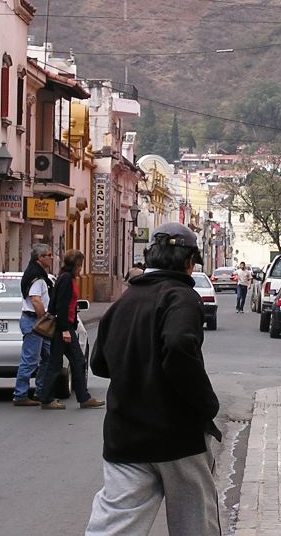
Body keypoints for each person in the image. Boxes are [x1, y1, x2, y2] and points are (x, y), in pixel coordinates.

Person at [85, 222, 221, 536]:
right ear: (190, 263)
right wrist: (206, 404)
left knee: (114, 525)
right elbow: (177, 347)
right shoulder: (182, 297)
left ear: (150, 259)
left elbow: (100, 363)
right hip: (177, 437)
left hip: (125, 435)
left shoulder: (124, 303)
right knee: (194, 522)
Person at [37, 249, 104, 410]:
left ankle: (82, 397)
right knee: (62, 362)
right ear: (75, 264)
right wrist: (65, 330)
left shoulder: (65, 277)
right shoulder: (66, 279)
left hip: (65, 327)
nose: (81, 268)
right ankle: (48, 398)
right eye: (80, 265)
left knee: (74, 361)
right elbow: (61, 306)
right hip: (63, 328)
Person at [12, 243, 53, 406]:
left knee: (48, 357)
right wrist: (44, 318)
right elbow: (35, 300)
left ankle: (41, 390)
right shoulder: (37, 277)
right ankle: (20, 394)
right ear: (40, 258)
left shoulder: (36, 273)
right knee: (30, 360)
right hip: (34, 321)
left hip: (34, 321)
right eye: (49, 255)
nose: (52, 258)